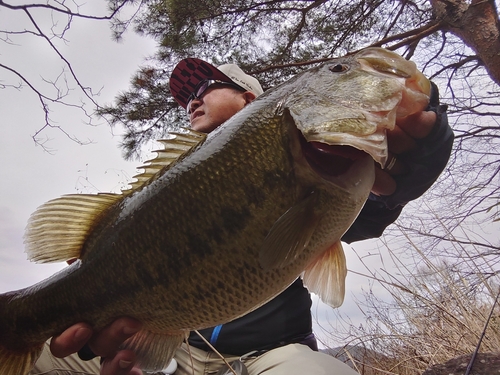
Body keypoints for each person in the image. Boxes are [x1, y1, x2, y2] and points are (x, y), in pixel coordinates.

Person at [31, 56, 454, 375]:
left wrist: (420, 158)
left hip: (270, 355)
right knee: (42, 360)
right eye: (187, 98)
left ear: (249, 97)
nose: (193, 100)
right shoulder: (168, 186)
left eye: (207, 87)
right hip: (173, 355)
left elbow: (371, 209)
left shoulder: (316, 159)